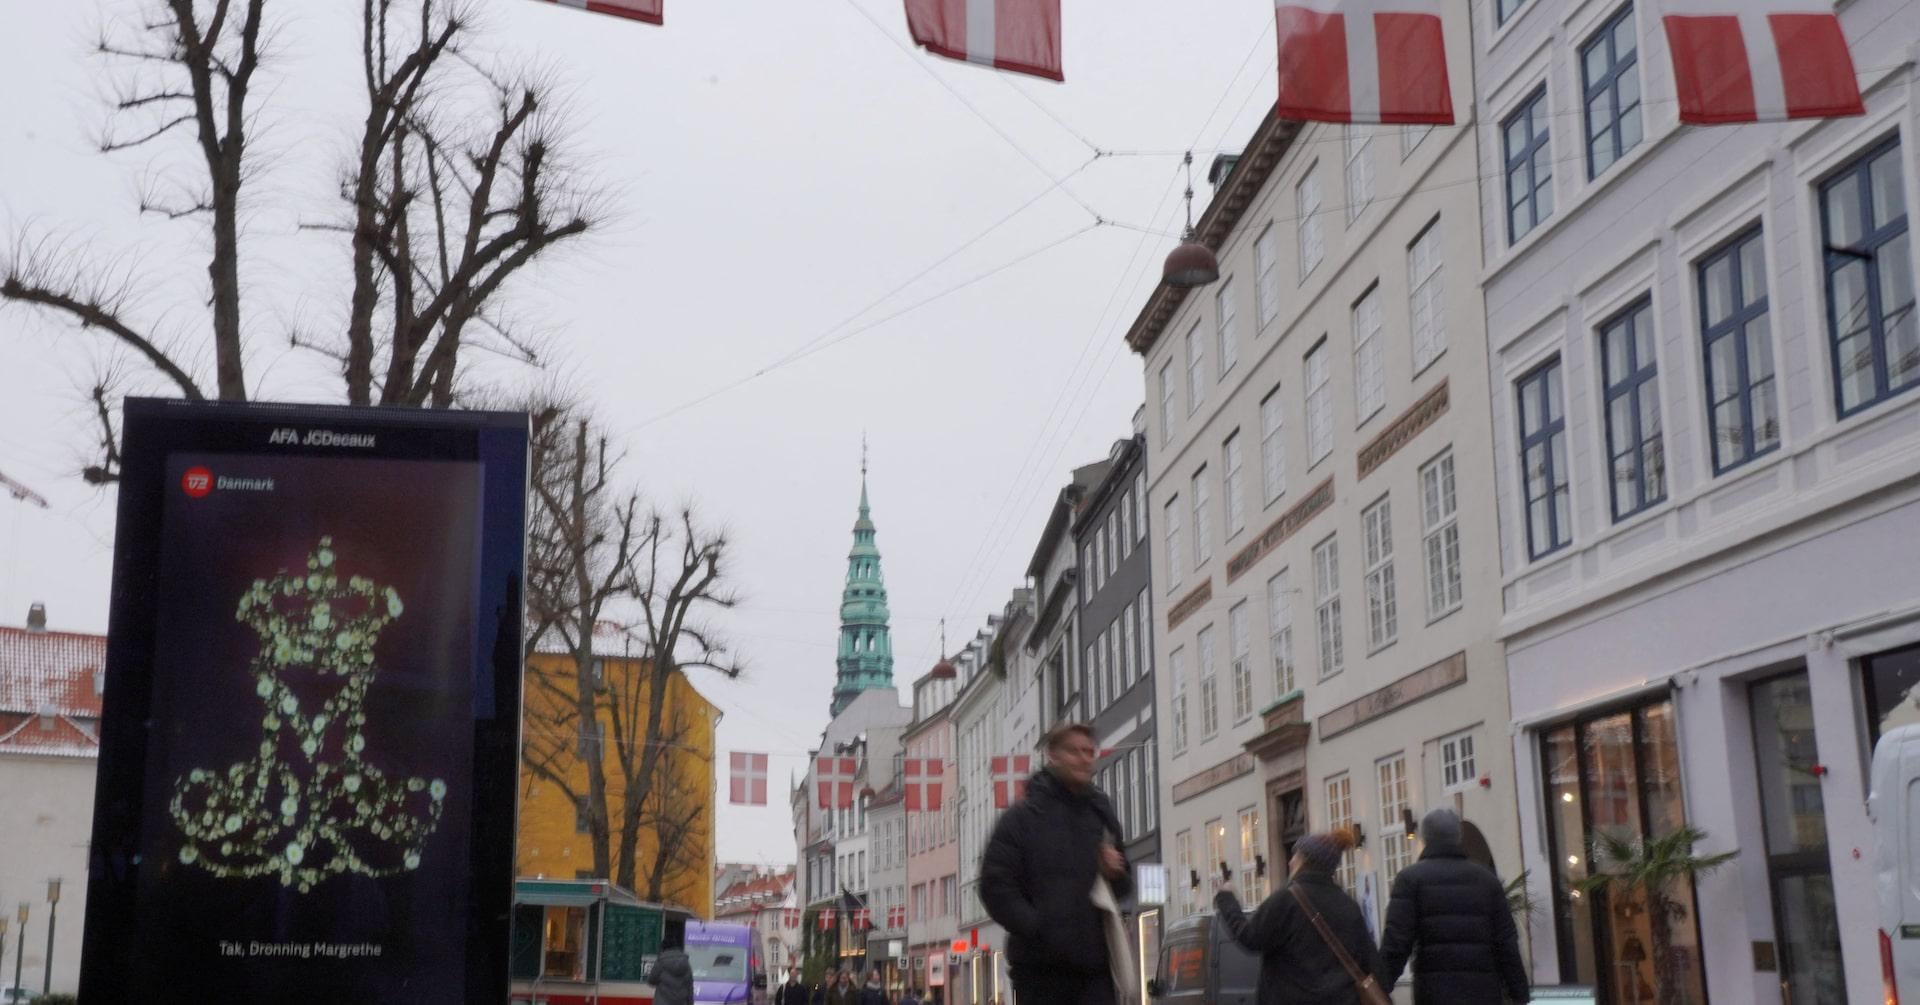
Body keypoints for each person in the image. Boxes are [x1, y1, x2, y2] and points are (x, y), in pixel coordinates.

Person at [979, 721, 1132, 1005]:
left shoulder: (1100, 814)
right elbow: (994, 886)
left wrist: (1116, 872)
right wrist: (1038, 927)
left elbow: (1124, 887)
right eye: (1075, 751)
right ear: (1054, 755)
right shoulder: (1023, 818)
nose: (1084, 758)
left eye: (1089, 751)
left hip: (1094, 970)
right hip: (1040, 974)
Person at [1376, 809, 1532, 1004]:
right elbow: (1506, 944)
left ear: (1425, 838)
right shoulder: (1487, 881)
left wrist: (1379, 988)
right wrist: (1519, 994)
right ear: (1458, 836)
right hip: (1483, 995)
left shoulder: (1410, 880)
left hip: (1435, 994)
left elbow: (1396, 943)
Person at [1213, 827, 1380, 1004]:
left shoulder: (1286, 900)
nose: (1290, 862)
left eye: (1295, 856)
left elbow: (1250, 937)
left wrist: (1227, 899)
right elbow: (1371, 963)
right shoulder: (1349, 906)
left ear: (1303, 862)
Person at [648, 937, 695, 1005]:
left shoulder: (660, 962)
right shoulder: (686, 963)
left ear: (663, 948)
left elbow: (651, 981)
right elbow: (690, 986)